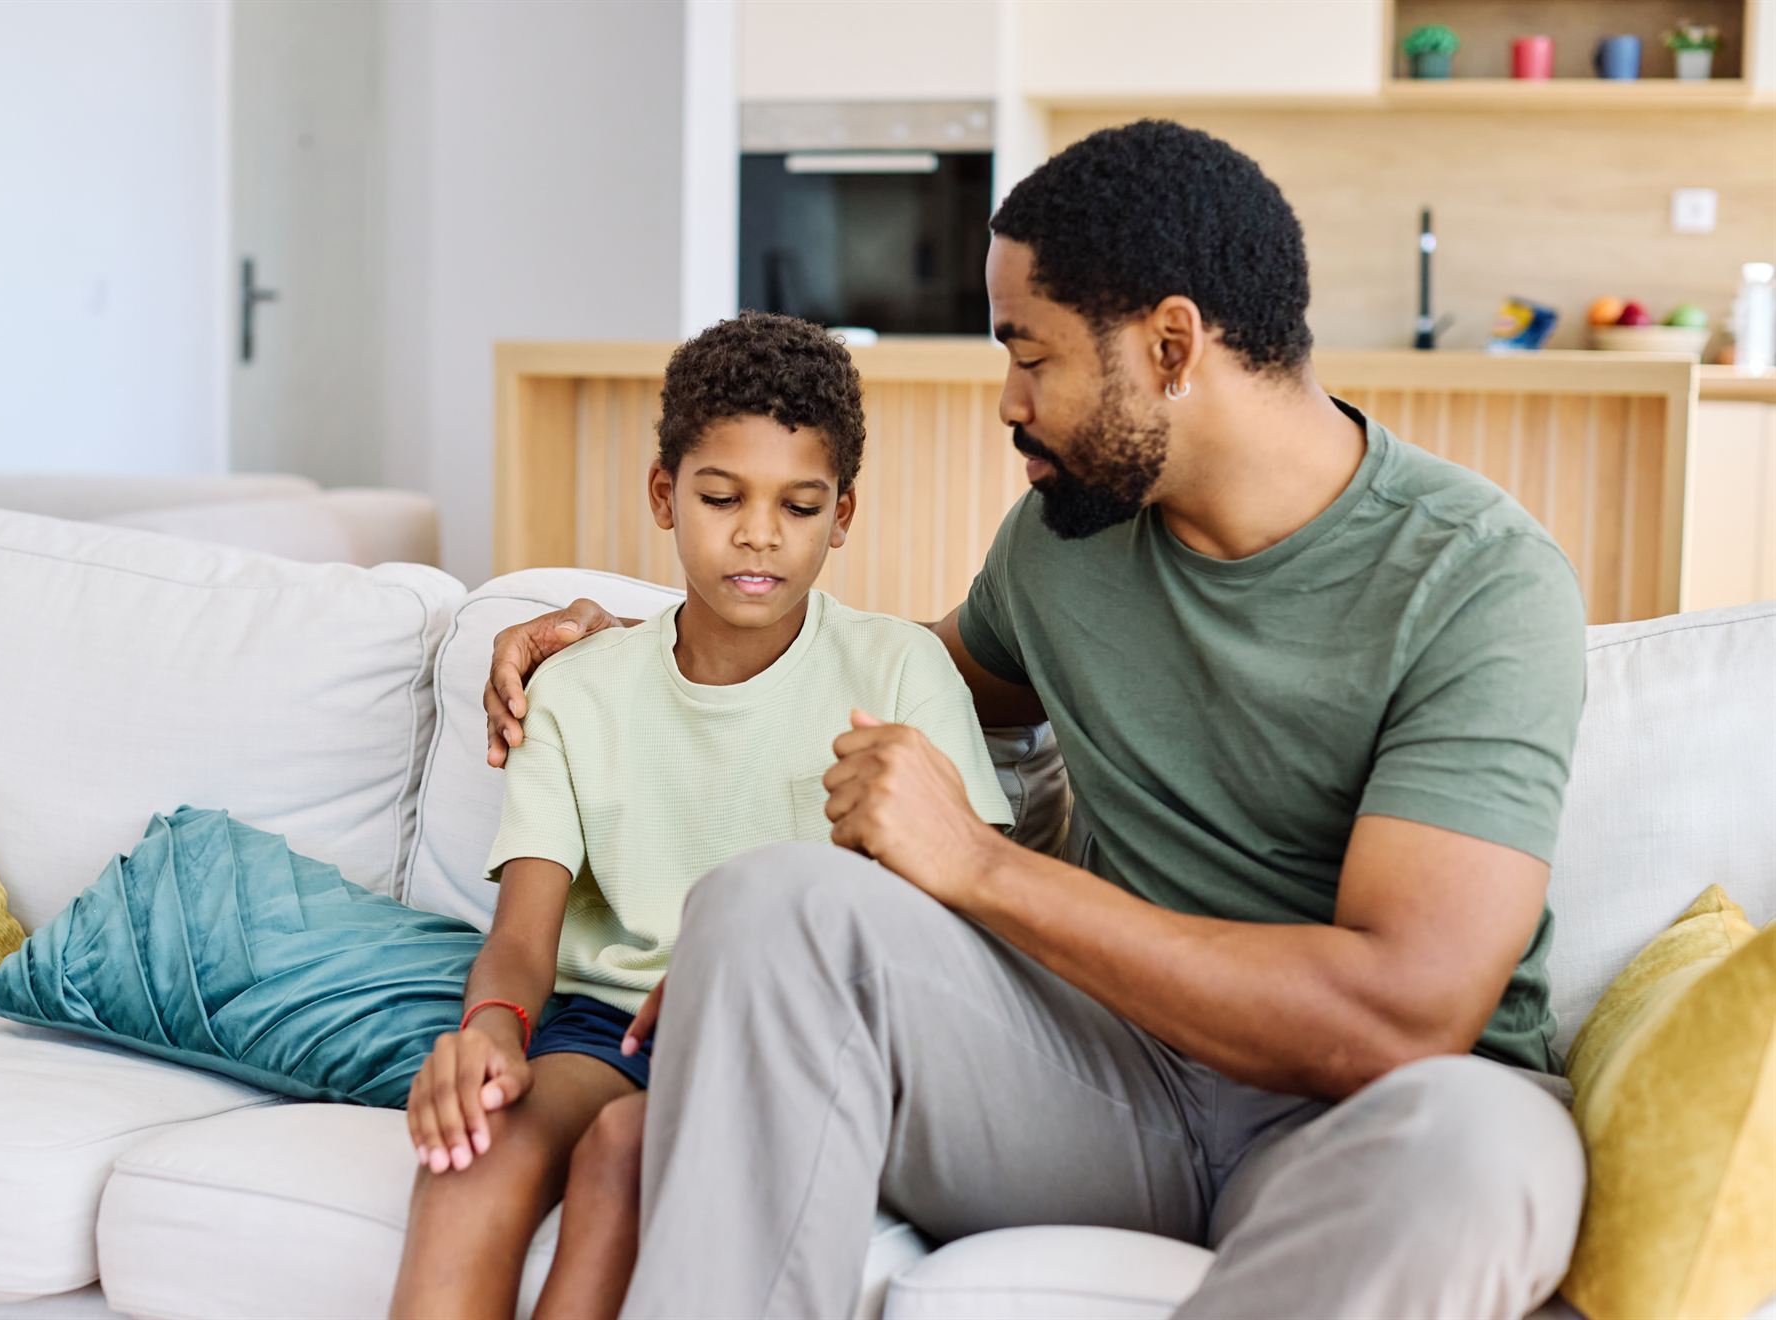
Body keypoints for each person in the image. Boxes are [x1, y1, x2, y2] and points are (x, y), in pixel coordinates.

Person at [482, 120, 1590, 1320]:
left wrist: (981, 866)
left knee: (1481, 1155)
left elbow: (1398, 1014)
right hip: (1101, 1086)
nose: (1008, 402)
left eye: (1030, 355)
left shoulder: (1475, 579)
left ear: (1171, 347)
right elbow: (879, 670)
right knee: (767, 907)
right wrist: (637, 648)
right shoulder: (1067, 543)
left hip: (1366, 1126)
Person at [386, 311, 1013, 1320]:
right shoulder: (577, 688)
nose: (759, 533)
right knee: (474, 1147)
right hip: (605, 1027)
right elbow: (522, 942)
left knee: (626, 1153)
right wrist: (491, 1034)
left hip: (785, 1033)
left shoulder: (901, 671)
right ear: (663, 495)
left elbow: (965, 914)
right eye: (721, 498)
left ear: (842, 514)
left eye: (799, 506)